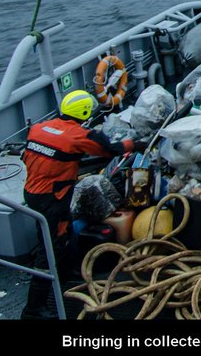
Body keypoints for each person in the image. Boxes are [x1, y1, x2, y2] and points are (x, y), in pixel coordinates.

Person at [21, 89, 142, 318]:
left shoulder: (38, 128)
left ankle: (66, 272)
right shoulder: (78, 136)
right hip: (53, 197)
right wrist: (133, 144)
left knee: (61, 231)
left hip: (32, 192)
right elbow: (109, 150)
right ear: (85, 112)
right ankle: (33, 308)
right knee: (49, 248)